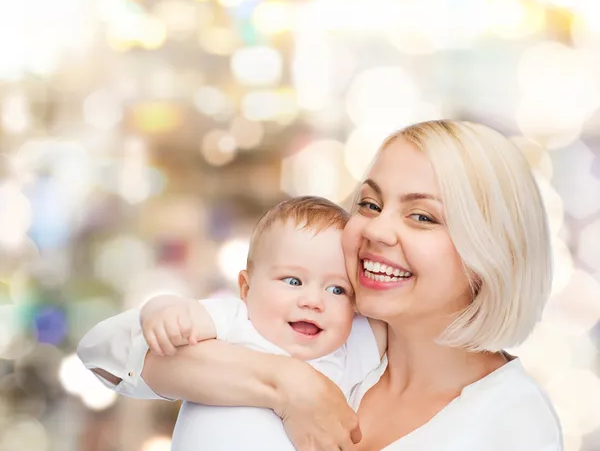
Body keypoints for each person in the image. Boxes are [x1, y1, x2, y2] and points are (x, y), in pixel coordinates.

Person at [78, 120, 563, 451]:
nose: (375, 230)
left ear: (490, 252)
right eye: (370, 205)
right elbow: (109, 354)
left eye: (421, 216)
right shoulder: (331, 330)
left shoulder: (513, 422)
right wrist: (290, 385)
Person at [78, 196, 386, 450]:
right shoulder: (235, 320)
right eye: (293, 280)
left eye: (337, 289)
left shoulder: (345, 351)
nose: (313, 301)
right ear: (246, 288)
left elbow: (400, 324)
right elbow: (103, 344)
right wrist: (162, 310)